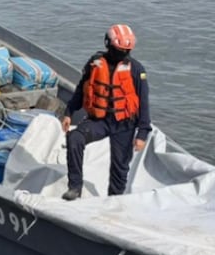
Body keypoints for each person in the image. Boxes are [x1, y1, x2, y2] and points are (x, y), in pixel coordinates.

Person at [61, 24, 152, 201]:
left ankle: (114, 200)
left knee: (120, 167)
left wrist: (142, 133)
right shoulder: (95, 63)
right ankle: (75, 187)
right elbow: (82, 89)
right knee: (75, 138)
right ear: (108, 44)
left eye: (126, 50)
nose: (123, 53)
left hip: (124, 123)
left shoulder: (136, 69)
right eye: (119, 49)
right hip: (99, 120)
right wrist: (69, 111)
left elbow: (144, 102)